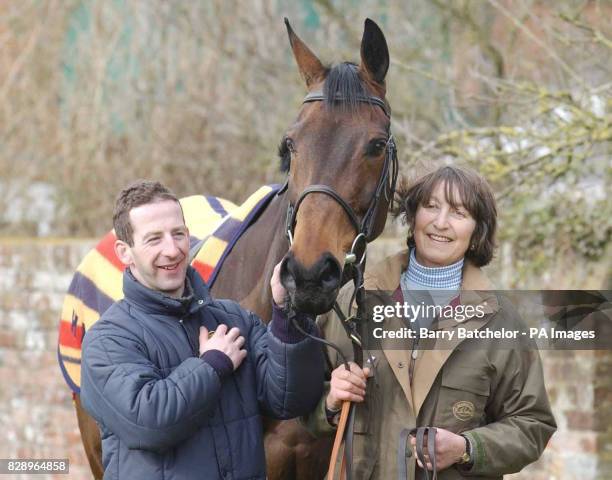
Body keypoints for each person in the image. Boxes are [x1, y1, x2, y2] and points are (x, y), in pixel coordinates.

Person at [303, 166, 557, 479]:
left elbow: (532, 424)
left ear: (478, 232)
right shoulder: (354, 301)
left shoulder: (501, 320)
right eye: (431, 206)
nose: (440, 222)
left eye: (459, 212)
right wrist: (330, 402)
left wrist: (468, 448)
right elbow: (304, 404)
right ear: (412, 216)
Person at [80, 180, 324, 480]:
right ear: (125, 252)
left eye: (178, 234)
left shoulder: (235, 320)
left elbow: (290, 400)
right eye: (153, 239)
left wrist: (288, 316)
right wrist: (212, 365)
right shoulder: (106, 340)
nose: (172, 250)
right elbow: (149, 423)